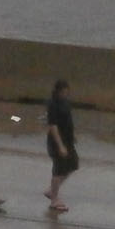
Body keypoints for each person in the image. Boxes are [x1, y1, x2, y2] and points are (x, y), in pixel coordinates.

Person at [43, 79, 77, 213]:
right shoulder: (52, 104)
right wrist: (60, 145)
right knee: (58, 170)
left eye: (66, 92)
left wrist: (73, 136)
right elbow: (53, 126)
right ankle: (54, 199)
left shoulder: (66, 103)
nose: (65, 94)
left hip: (68, 141)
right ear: (57, 92)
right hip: (57, 142)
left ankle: (51, 191)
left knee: (73, 164)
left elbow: (68, 121)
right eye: (63, 92)